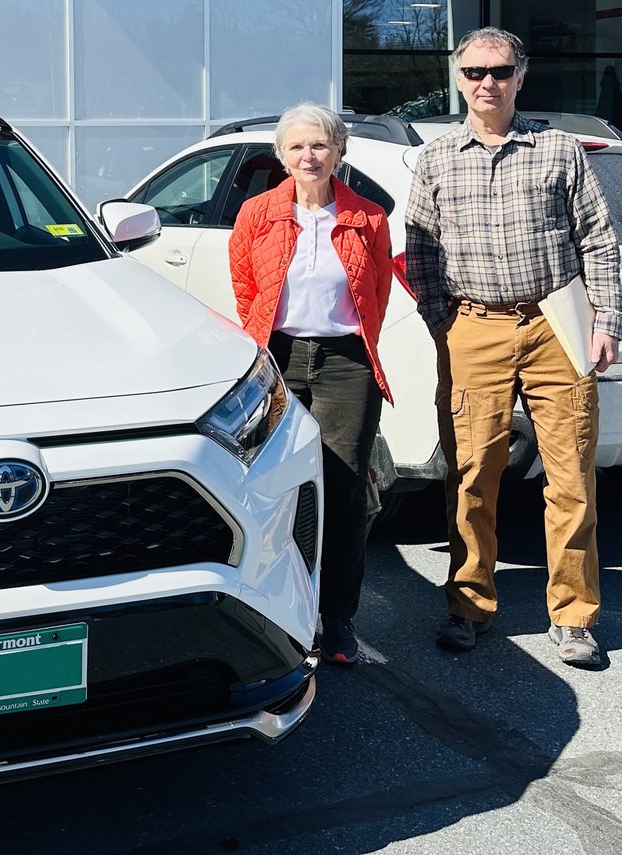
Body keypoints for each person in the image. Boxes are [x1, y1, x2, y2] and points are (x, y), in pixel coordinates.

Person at [405, 27, 622, 668]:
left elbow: (597, 238)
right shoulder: (439, 158)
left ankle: (575, 617)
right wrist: (440, 319)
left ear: (520, 76)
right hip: (473, 326)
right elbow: (419, 249)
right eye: (474, 72)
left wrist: (605, 319)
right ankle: (469, 606)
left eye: (499, 71)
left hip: (557, 322)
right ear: (458, 78)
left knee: (571, 475)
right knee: (472, 473)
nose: (486, 82)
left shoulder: (558, 151)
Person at [229, 103, 393, 665]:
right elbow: (246, 288)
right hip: (277, 357)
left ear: (339, 152)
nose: (309, 156)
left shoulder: (368, 218)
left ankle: (338, 618)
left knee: (344, 490)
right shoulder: (256, 213)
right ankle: (272, 610)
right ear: (281, 155)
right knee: (272, 486)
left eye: (320, 145)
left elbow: (374, 298)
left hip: (347, 362)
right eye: (297, 146)